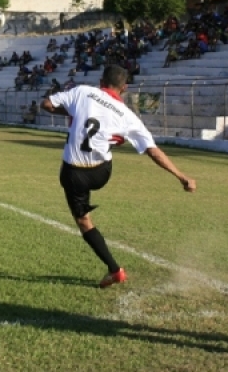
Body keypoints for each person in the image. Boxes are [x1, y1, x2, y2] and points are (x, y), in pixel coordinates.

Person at [41, 65, 196, 288]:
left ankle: (115, 270)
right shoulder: (127, 116)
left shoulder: (83, 91)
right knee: (110, 143)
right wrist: (182, 177)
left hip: (74, 173)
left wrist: (74, 113)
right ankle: (110, 141)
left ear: (101, 80)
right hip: (102, 172)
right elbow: (153, 151)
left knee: (84, 221)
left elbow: (46, 104)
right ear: (124, 88)